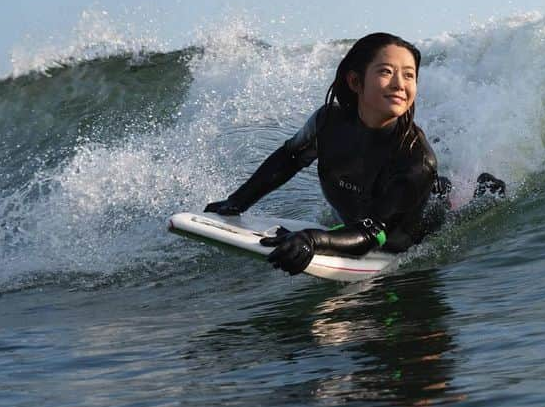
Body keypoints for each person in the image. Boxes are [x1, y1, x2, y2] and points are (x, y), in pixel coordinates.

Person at [203, 32, 505, 275]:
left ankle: (482, 190)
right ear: (355, 81)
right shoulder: (327, 123)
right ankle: (442, 187)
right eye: (386, 72)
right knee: (424, 188)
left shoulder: (416, 160)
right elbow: (290, 158)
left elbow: (373, 233)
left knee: (453, 212)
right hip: (362, 216)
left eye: (409, 75)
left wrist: (313, 239)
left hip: (401, 232)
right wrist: (237, 202)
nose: (400, 84)